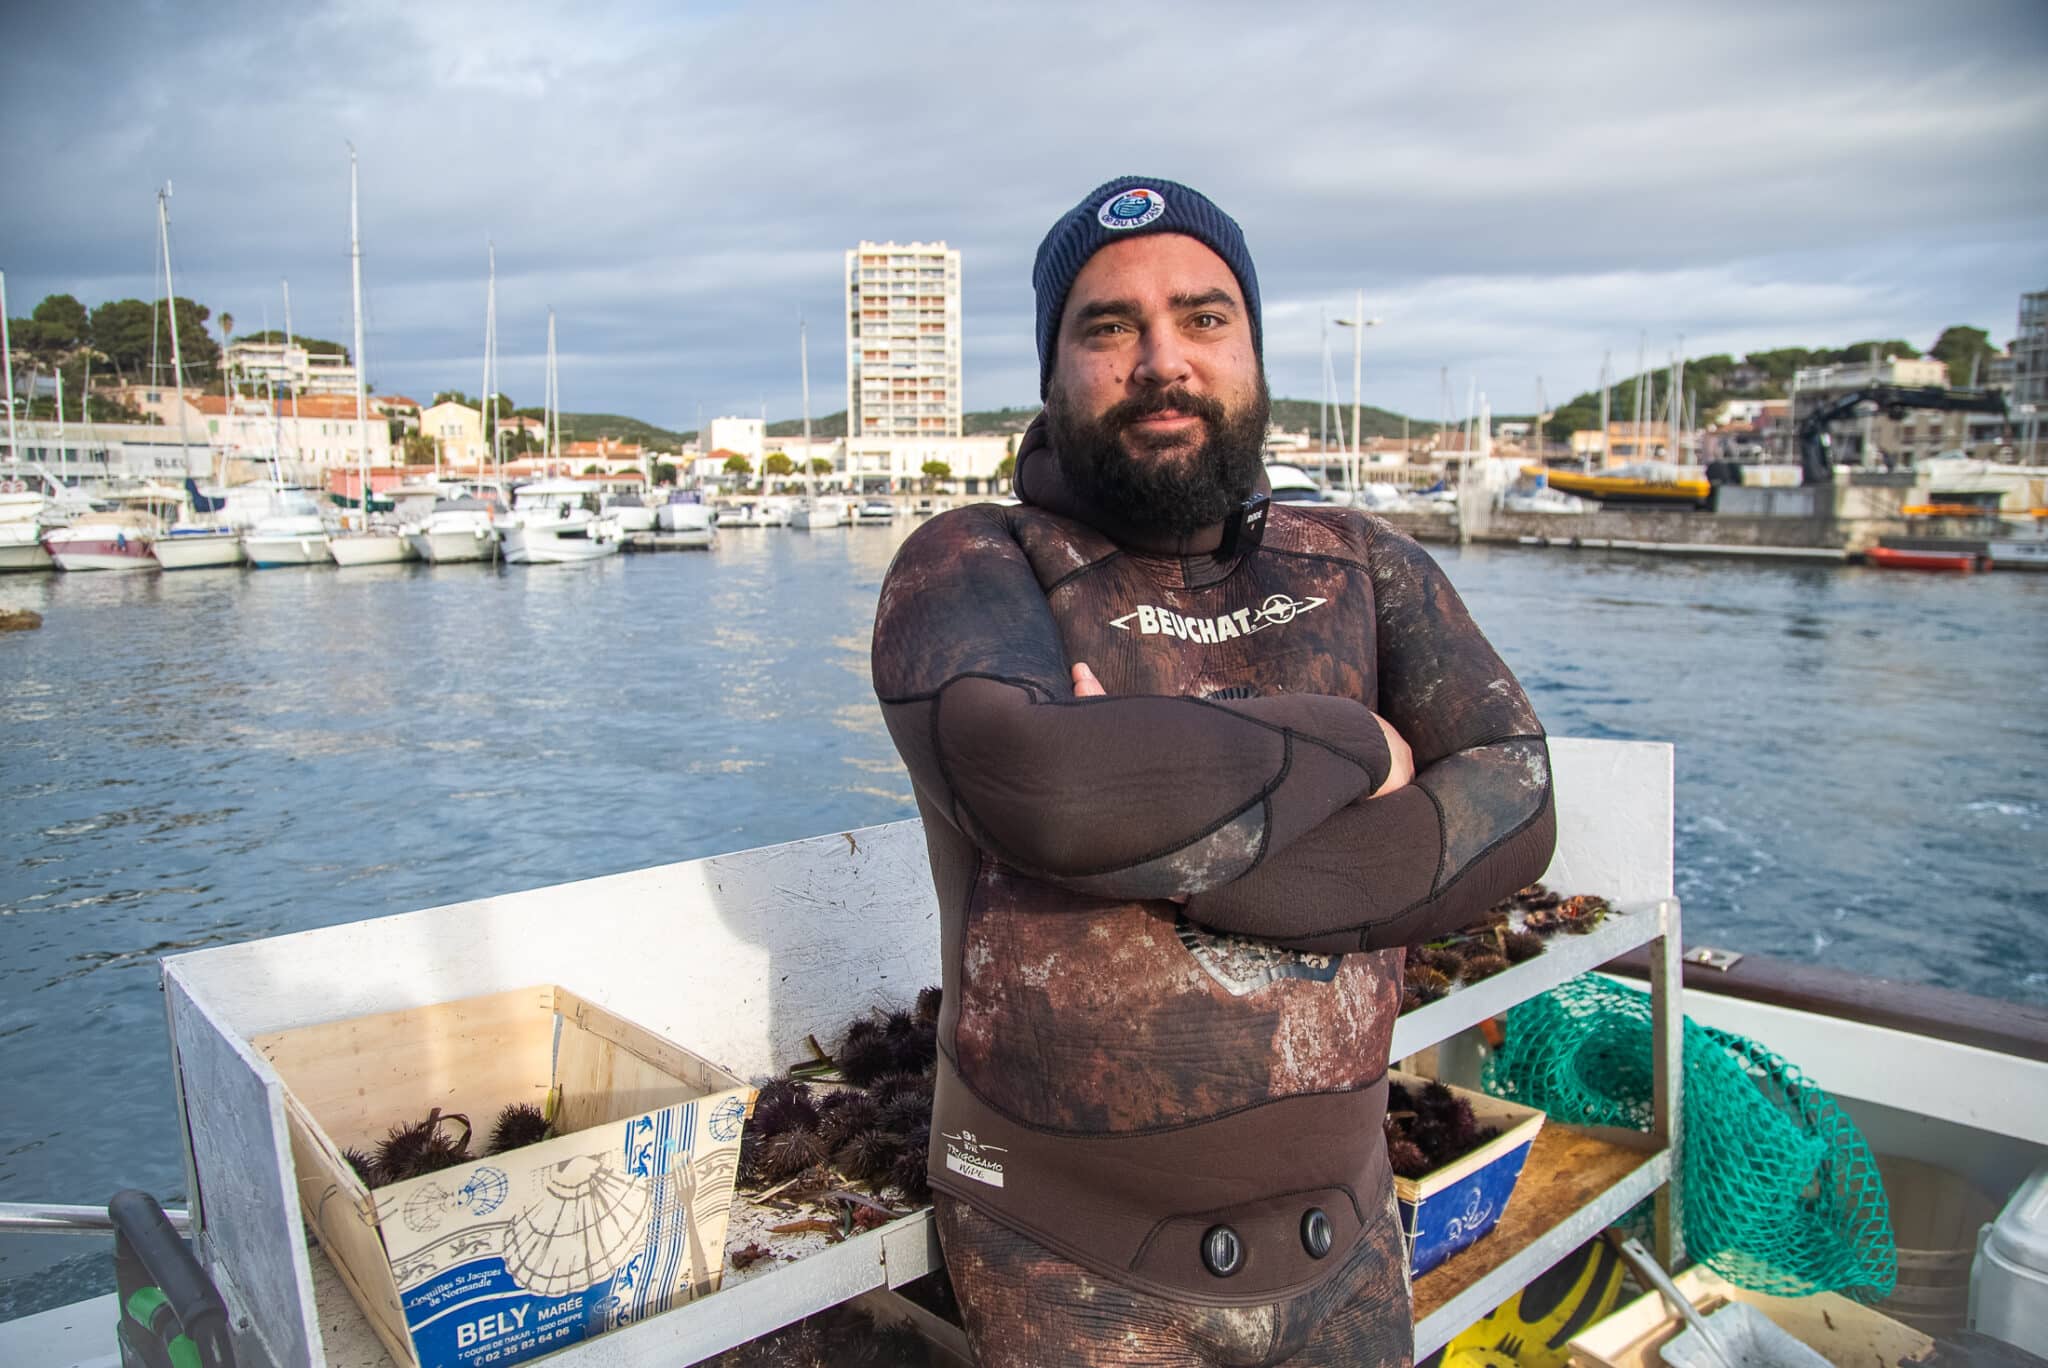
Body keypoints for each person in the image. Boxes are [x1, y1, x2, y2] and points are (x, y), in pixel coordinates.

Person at [869, 175, 1556, 1367]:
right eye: (1106, 326)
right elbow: (1049, 787)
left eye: (1201, 317)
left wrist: (1174, 849)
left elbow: (1516, 799)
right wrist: (1363, 749)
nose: (1160, 360)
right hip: (1069, 1263)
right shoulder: (975, 563)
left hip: (1349, 1245)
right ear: (1052, 371)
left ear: (1248, 347)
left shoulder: (1356, 563)